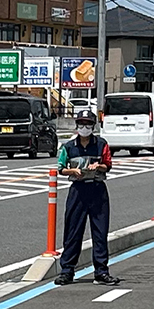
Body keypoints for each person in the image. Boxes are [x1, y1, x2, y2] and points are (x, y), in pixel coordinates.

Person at [54, 110, 120, 286]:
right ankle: (67, 271)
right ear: (77, 126)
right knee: (73, 232)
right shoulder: (68, 147)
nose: (85, 128)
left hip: (98, 189)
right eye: (81, 124)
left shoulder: (101, 144)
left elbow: (108, 165)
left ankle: (101, 272)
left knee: (100, 231)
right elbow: (60, 168)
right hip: (78, 190)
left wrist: (99, 166)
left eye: (88, 124)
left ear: (93, 126)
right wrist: (72, 171)